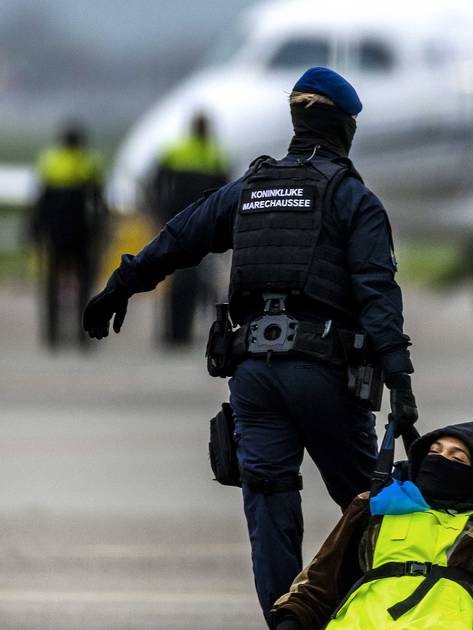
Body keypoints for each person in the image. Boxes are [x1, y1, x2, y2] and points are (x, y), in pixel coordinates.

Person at [81, 67, 420, 619]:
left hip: (254, 378)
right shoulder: (352, 198)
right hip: (325, 376)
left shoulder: (251, 189)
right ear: (344, 128)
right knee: (373, 507)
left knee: (270, 508)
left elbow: (176, 240)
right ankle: (381, 611)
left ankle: (287, 618)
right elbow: (377, 292)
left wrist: (118, 288)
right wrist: (401, 382)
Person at [269, 421, 473, 630]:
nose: (441, 458)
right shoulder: (374, 508)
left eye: (456, 458)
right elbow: (318, 582)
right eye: (434, 452)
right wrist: (291, 619)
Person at [149, 111, 230, 346]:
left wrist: (161, 211)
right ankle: (181, 333)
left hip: (177, 221)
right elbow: (226, 190)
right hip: (202, 224)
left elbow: (155, 181)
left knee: (177, 277)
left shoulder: (176, 150)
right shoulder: (215, 154)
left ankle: (174, 332)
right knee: (192, 279)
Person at [28, 122, 106, 350]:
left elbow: (40, 201)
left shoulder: (50, 161)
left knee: (53, 285)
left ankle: (52, 335)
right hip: (80, 233)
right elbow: (98, 202)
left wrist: (35, 229)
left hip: (57, 233)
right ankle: (82, 333)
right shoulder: (90, 162)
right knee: (83, 284)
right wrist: (101, 229)